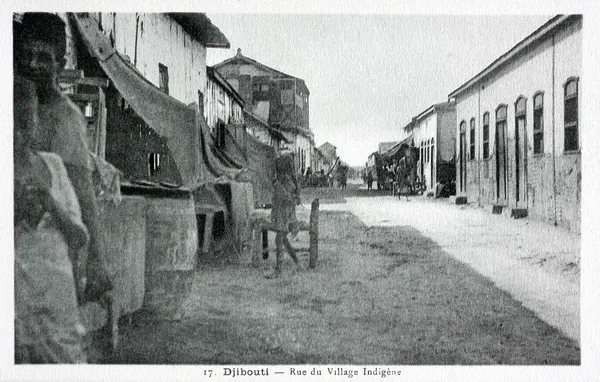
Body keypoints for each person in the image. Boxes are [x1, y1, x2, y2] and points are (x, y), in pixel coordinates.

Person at [15, 13, 112, 303]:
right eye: (26, 54)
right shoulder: (11, 102)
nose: (32, 64)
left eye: (43, 57)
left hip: (46, 253)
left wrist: (97, 261)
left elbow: (83, 195)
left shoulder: (65, 118)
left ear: (61, 63)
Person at [14, 76, 88, 363]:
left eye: (27, 121)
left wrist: (50, 203)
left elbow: (79, 236)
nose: (20, 132)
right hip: (17, 302)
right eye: (13, 123)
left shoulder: (53, 166)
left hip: (56, 301)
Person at [267, 154, 301, 278]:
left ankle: (278, 270)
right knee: (283, 240)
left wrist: (277, 186)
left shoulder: (287, 181)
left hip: (286, 216)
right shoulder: (286, 180)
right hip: (284, 214)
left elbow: (287, 198)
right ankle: (297, 261)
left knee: (279, 240)